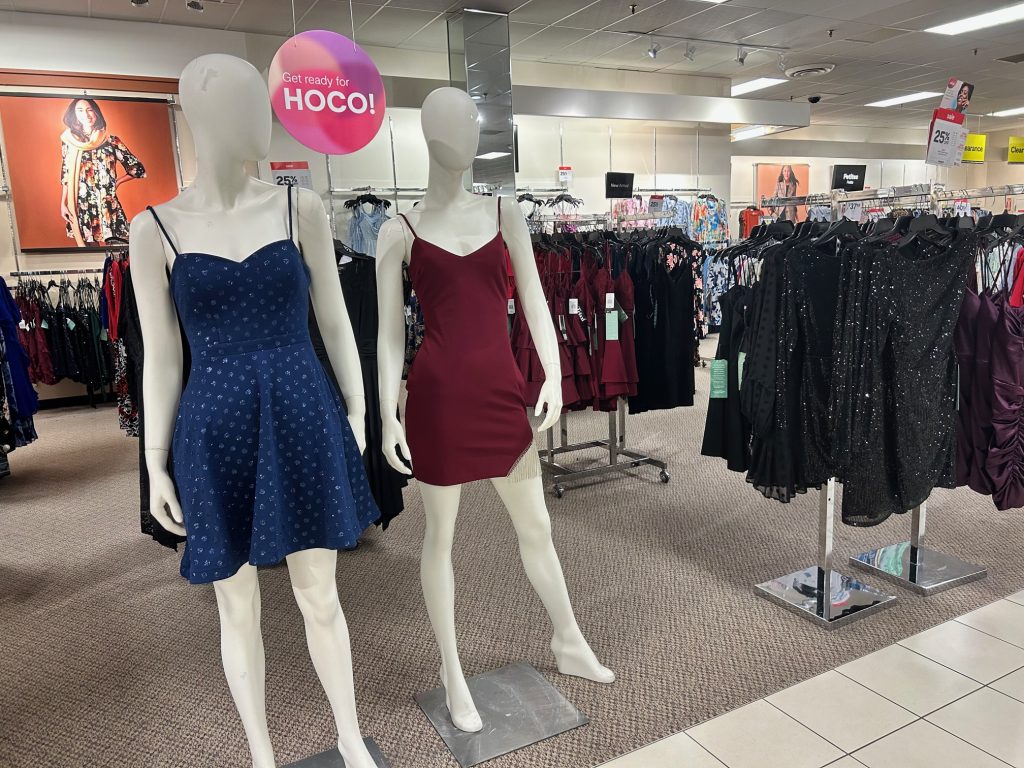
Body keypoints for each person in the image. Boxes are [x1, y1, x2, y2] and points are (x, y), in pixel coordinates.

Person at [59, 98, 146, 246]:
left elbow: (137, 169)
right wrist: (63, 204)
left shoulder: (111, 141)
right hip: (82, 206)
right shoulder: (69, 142)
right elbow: (66, 174)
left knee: (121, 252)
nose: (85, 114)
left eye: (89, 109)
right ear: (74, 115)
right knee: (90, 254)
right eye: (80, 111)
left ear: (96, 113)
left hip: (106, 204)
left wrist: (116, 183)